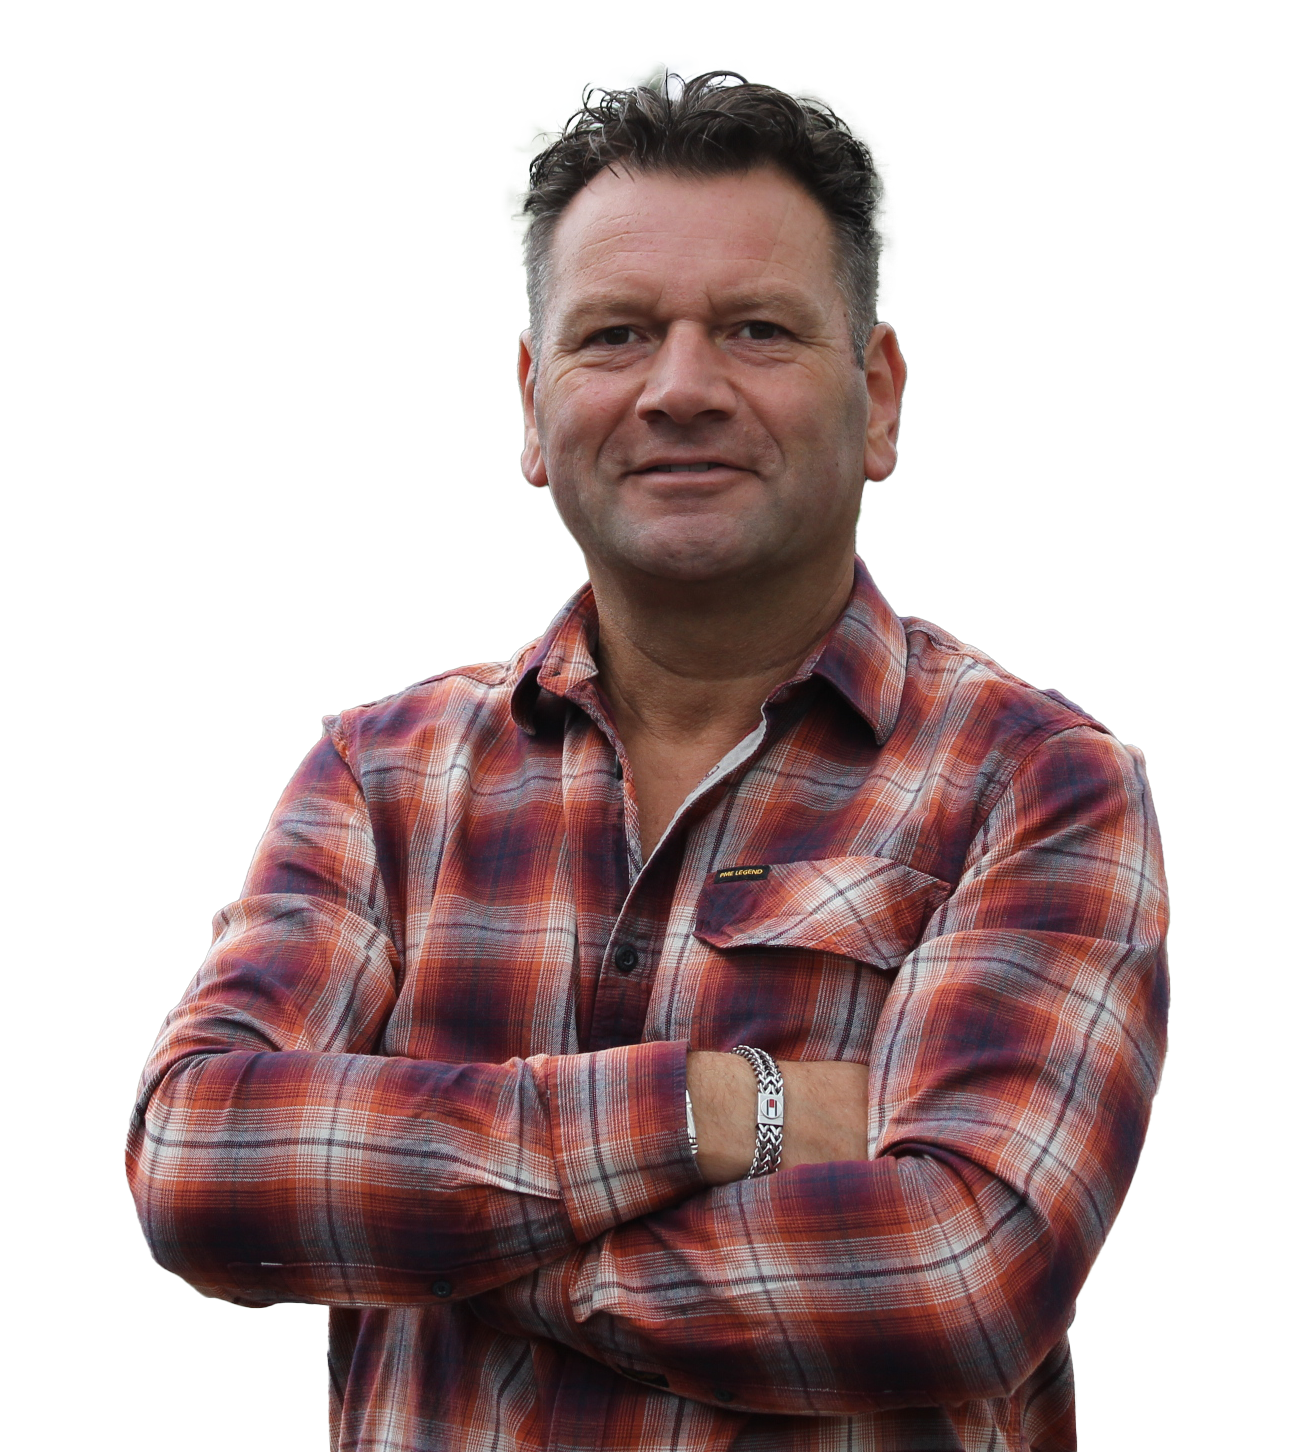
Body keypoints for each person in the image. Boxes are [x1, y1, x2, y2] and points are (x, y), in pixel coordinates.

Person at [128, 73, 1168, 1452]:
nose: (681, 388)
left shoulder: (1039, 786)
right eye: (616, 334)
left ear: (875, 398)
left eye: (756, 330)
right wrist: (725, 1107)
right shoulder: (383, 779)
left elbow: (957, 1276)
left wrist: (438, 1239)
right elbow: (198, 1163)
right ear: (533, 400)